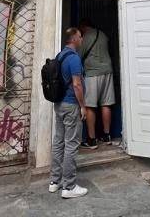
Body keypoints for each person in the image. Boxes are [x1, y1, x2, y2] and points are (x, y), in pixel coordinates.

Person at [49, 27, 89, 199]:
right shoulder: (74, 58)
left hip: (59, 104)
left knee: (59, 142)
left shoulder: (60, 56)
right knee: (71, 144)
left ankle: (55, 181)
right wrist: (83, 106)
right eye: (80, 36)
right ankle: (69, 186)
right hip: (71, 105)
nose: (82, 39)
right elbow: (77, 84)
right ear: (73, 39)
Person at [78, 18, 115, 149]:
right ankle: (107, 136)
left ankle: (91, 139)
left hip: (93, 73)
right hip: (108, 71)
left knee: (90, 106)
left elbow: (79, 54)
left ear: (83, 27)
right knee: (106, 103)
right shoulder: (103, 34)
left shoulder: (86, 37)